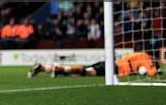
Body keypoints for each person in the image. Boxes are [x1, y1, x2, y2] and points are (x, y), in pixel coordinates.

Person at [28, 51, 160, 78]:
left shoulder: (140, 54)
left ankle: (44, 68)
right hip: (114, 68)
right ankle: (58, 68)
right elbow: (152, 73)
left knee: (82, 72)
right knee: (86, 72)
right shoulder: (147, 60)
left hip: (111, 64)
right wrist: (156, 71)